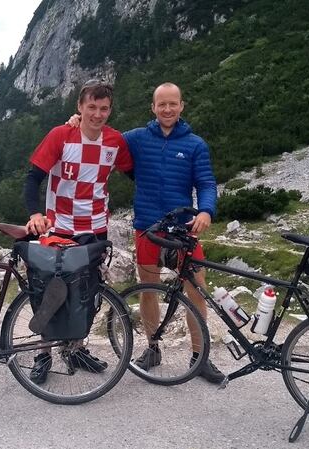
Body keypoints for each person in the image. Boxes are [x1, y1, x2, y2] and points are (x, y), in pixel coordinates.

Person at [68, 82, 222, 383]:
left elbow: (206, 183)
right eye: (161, 104)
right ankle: (152, 348)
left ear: (181, 106)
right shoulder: (136, 138)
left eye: (172, 104)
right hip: (147, 227)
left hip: (182, 228)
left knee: (196, 290)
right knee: (148, 288)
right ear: (153, 107)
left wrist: (206, 210)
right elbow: (103, 136)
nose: (167, 109)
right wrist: (76, 122)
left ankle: (199, 355)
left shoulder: (195, 144)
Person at [23, 79, 134, 384]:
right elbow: (33, 178)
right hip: (59, 227)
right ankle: (43, 354)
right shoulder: (61, 135)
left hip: (96, 228)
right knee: (51, 294)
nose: (97, 114)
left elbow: (134, 171)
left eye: (104, 108)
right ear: (79, 107)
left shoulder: (114, 141)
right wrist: (35, 213)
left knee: (89, 294)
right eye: (91, 107)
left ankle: (75, 348)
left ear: (110, 110)